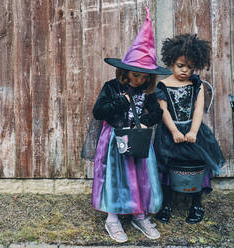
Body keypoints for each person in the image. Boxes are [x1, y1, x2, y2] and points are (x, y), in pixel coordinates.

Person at [90, 8, 171, 243]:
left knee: (140, 176)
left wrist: (146, 123)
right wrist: (122, 101)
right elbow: (98, 111)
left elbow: (156, 113)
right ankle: (112, 217)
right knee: (114, 177)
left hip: (138, 141)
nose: (140, 79)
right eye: (136, 74)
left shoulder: (148, 91)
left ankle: (139, 214)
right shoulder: (112, 86)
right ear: (125, 70)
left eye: (145, 76)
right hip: (114, 140)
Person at [153, 34, 225, 224]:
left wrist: (192, 131)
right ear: (171, 62)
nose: (185, 71)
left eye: (190, 67)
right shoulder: (163, 85)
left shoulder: (197, 85)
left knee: (197, 163)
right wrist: (175, 131)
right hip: (170, 132)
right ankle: (166, 204)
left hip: (193, 130)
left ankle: (196, 204)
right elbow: (163, 110)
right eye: (180, 66)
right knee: (167, 166)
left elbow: (198, 108)